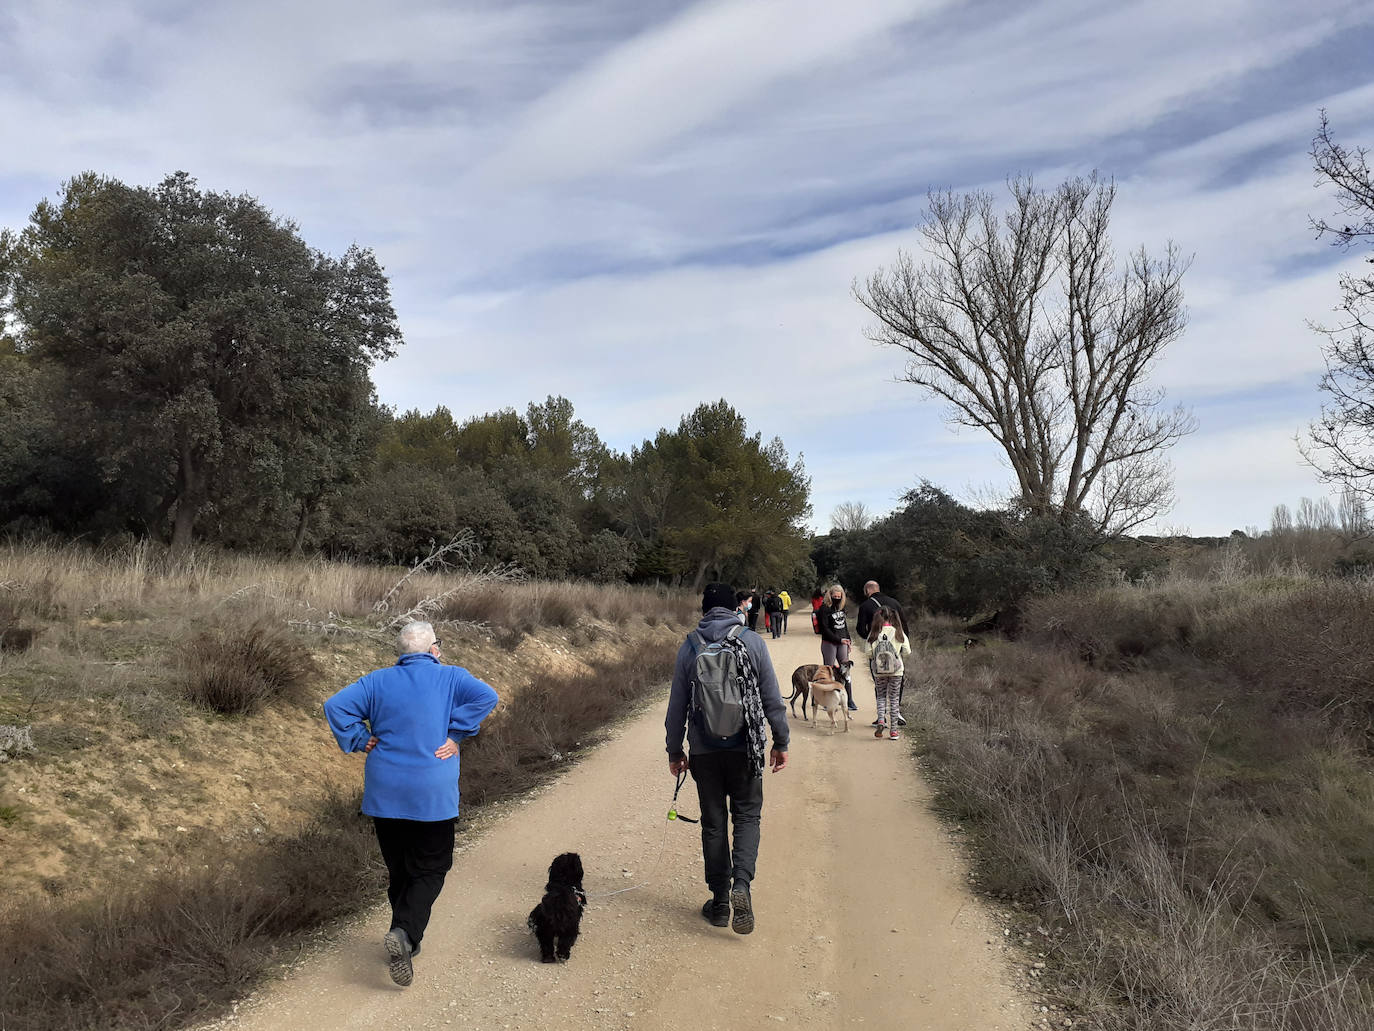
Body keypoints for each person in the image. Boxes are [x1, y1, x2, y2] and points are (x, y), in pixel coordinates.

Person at [324, 621, 499, 987]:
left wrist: (360, 738)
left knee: (400, 868)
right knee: (432, 867)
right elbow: (488, 697)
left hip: (385, 792)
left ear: (402, 652)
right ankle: (404, 933)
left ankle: (405, 936)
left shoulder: (376, 681)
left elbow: (335, 706)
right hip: (431, 792)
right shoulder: (451, 676)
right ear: (433, 648)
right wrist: (455, 734)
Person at [666, 582, 789, 936]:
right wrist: (781, 742)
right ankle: (742, 886)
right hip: (745, 747)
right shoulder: (751, 641)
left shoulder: (690, 646)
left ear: (705, 609)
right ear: (735, 607)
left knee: (714, 822)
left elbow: (677, 708)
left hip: (705, 751)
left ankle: (720, 902)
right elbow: (772, 700)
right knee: (747, 815)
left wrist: (675, 750)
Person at [855, 581, 909, 726]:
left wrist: (873, 638)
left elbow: (860, 628)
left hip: (877, 655)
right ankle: (896, 713)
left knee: (880, 686)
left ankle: (881, 717)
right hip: (896, 652)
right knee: (897, 683)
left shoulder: (865, 606)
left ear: (867, 590)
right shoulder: (894, 603)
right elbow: (904, 625)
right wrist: (900, 645)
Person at [861, 605, 911, 739]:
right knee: (894, 699)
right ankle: (894, 731)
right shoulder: (898, 632)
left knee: (881, 696)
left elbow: (868, 653)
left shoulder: (874, 633)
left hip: (879, 671)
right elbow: (907, 651)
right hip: (896, 671)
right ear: (893, 617)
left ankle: (881, 720)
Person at [818, 584, 856, 711]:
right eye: (835, 596)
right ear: (830, 595)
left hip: (842, 642)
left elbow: (844, 626)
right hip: (829, 642)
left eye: (839, 597)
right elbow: (824, 629)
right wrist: (838, 639)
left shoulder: (841, 607)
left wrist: (848, 640)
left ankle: (849, 700)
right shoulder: (824, 609)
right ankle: (826, 700)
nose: (837, 599)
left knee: (846, 671)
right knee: (828, 671)